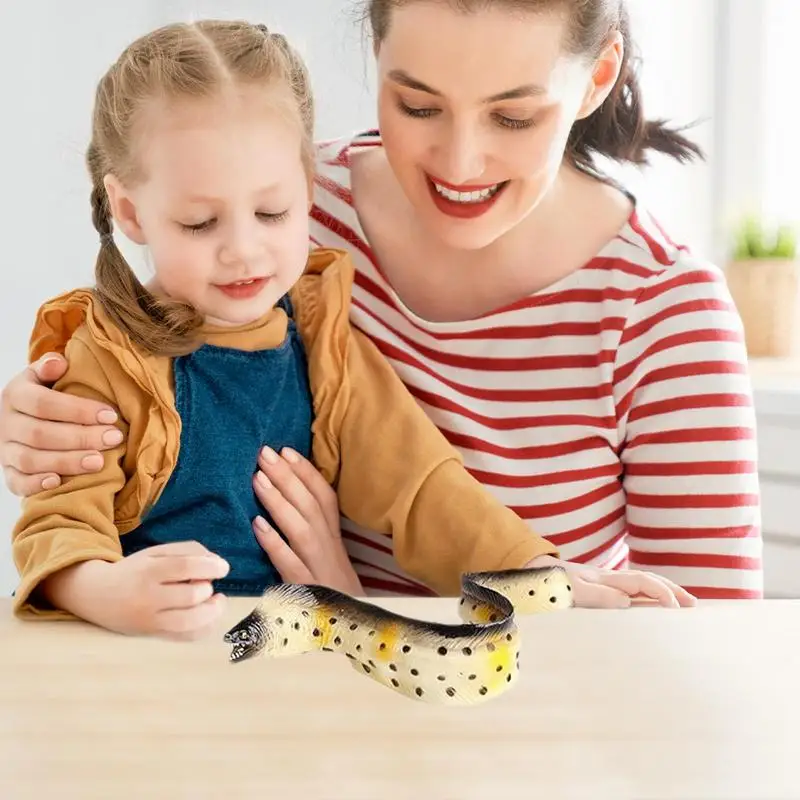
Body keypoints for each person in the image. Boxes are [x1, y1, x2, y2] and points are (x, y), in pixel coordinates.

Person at [0, 0, 761, 605]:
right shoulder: (293, 214)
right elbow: (91, 457)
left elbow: (698, 670)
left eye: (512, 115)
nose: (460, 163)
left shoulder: (665, 314)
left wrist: (355, 609)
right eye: (418, 105)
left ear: (596, 78)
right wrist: (40, 420)